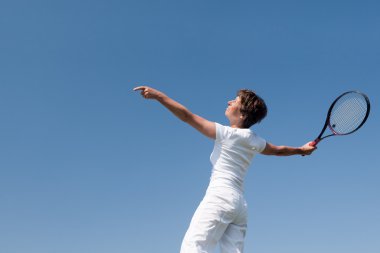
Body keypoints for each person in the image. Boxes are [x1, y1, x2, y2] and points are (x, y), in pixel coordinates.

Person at [133, 86, 316, 253]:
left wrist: (159, 96)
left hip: (220, 197)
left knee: (193, 247)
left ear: (243, 114)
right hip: (240, 206)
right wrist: (301, 150)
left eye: (235, 101)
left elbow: (187, 116)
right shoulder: (255, 140)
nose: (229, 102)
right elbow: (279, 150)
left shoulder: (227, 134)